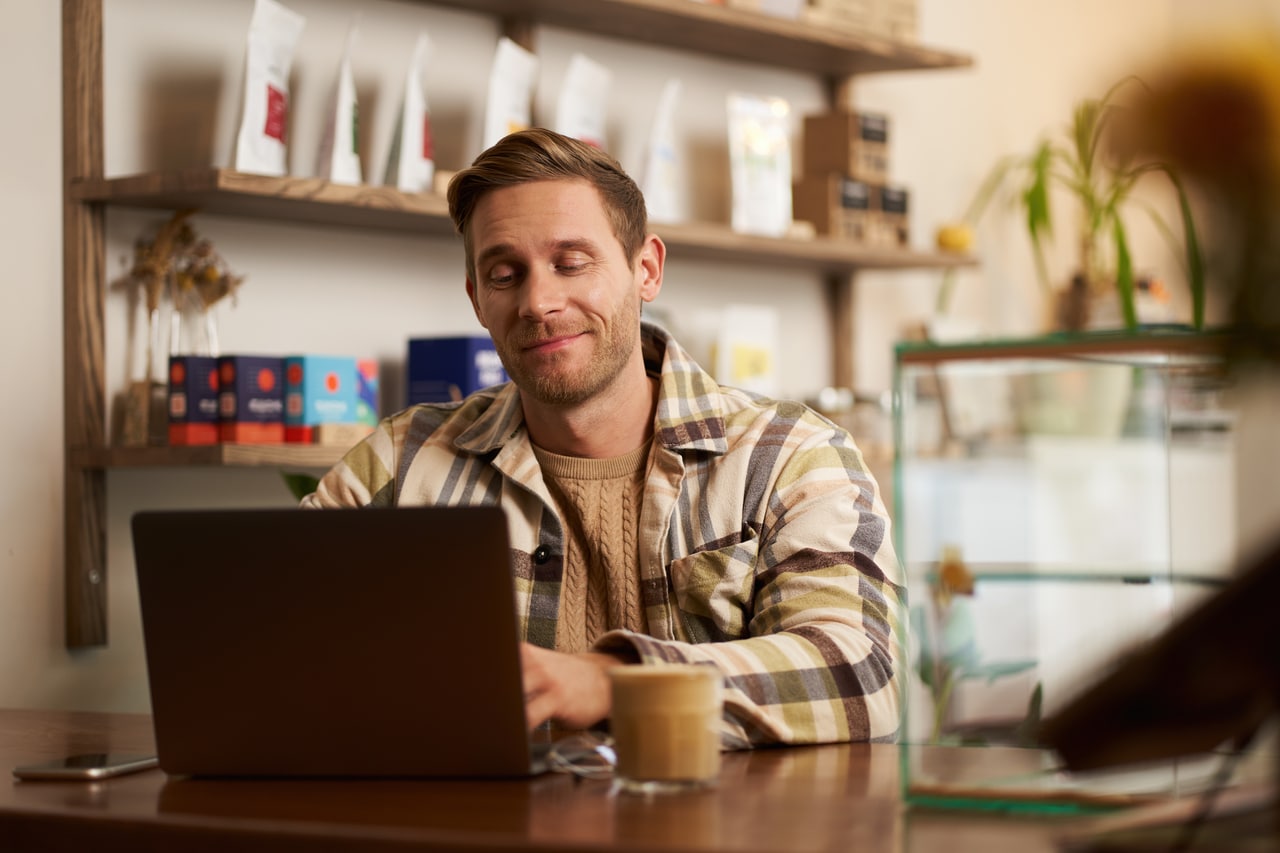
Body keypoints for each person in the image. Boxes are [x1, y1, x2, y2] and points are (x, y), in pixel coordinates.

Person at [302, 127, 904, 748]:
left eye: (571, 263)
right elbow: (266, 641)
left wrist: (614, 682)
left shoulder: (789, 456)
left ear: (646, 270)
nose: (539, 302)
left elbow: (863, 670)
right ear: (477, 298)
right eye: (505, 274)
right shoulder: (402, 462)